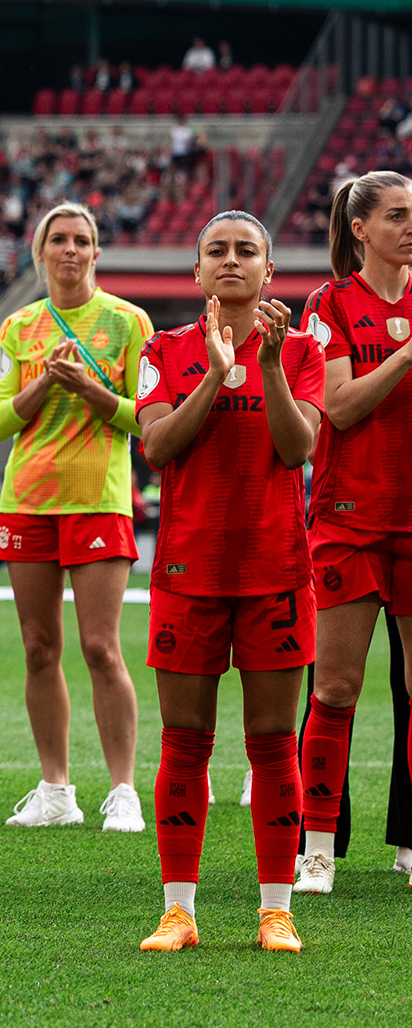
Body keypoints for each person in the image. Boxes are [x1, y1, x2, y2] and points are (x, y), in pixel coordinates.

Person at [135, 211, 322, 954]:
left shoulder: (300, 349)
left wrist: (267, 365)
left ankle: (276, 910)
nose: (232, 261)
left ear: (270, 272)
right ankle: (178, 911)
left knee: (274, 744)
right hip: (189, 568)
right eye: (218, 250)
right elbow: (157, 446)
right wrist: (215, 371)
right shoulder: (166, 348)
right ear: (197, 272)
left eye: (248, 251)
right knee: (185, 742)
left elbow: (296, 447)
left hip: (276, 568)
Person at [0, 202, 152, 833]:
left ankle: (123, 789)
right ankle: (55, 786)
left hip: (98, 496)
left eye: (83, 240)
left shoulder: (128, 323)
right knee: (37, 648)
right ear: (41, 252)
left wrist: (87, 388)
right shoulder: (17, 328)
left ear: (97, 253)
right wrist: (47, 385)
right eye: (59, 240)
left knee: (101, 647)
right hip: (27, 499)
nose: (71, 250)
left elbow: (147, 416)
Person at [294, 170, 412, 894]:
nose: (411, 226)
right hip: (348, 521)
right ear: (361, 228)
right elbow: (337, 408)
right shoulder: (330, 303)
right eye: (398, 215)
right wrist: (404, 355)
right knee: (336, 689)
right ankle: (315, 848)